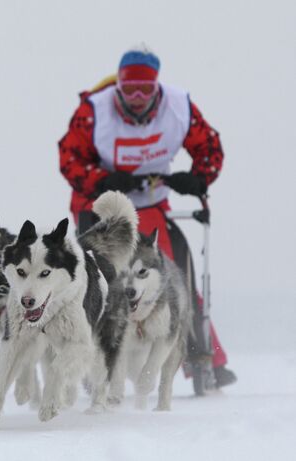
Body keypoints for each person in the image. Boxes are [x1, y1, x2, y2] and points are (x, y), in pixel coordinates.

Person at [57, 46, 237, 389]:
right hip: (100, 207)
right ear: (118, 88)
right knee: (102, 281)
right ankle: (91, 360)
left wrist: (198, 177)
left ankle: (202, 358)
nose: (137, 99)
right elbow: (69, 157)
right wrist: (101, 180)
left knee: (173, 275)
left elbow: (210, 147)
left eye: (146, 90)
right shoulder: (93, 112)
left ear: (157, 88)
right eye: (129, 91)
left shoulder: (179, 108)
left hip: (152, 206)